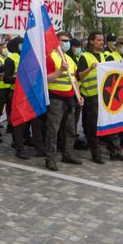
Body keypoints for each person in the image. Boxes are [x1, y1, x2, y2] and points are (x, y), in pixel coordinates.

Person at [78, 32, 123, 164]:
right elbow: (80, 76)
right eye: (99, 40)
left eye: (102, 40)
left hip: (105, 96)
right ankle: (96, 154)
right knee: (93, 127)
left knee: (111, 123)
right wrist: (90, 68)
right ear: (91, 41)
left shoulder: (103, 56)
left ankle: (115, 151)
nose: (102, 42)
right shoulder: (85, 57)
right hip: (91, 97)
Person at [44, 31, 82, 171]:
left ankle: (68, 153)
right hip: (55, 99)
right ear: (56, 42)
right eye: (64, 40)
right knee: (53, 130)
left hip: (70, 99)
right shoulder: (50, 58)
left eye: (68, 41)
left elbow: (74, 79)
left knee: (70, 129)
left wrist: (78, 95)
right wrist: (60, 70)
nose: (67, 43)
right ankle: (50, 158)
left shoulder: (70, 59)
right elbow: (47, 79)